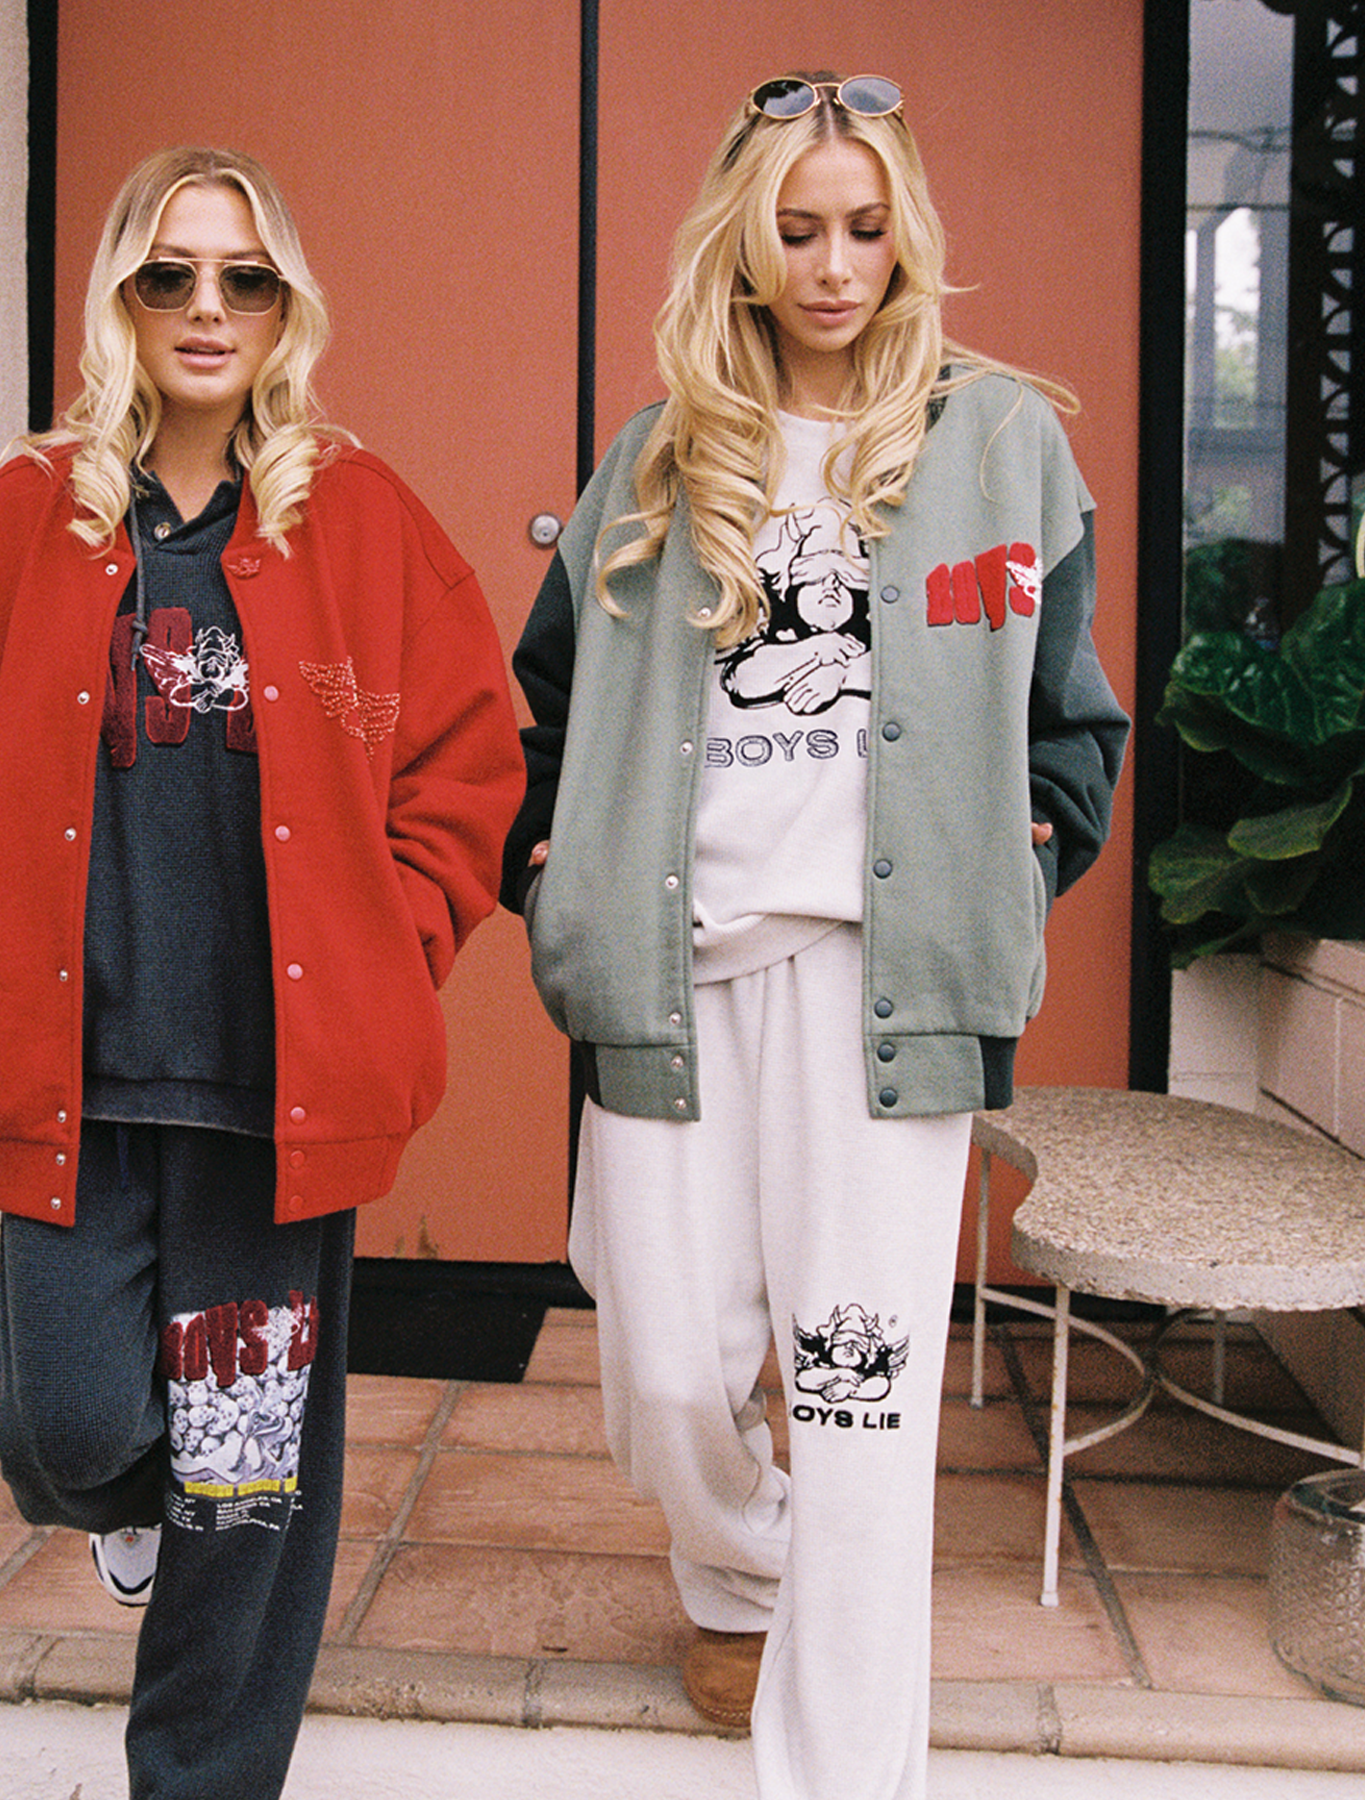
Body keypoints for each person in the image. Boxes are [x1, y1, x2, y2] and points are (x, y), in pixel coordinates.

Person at [501, 75, 1128, 1800]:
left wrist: (1036, 836)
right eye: (798, 229)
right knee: (667, 1370)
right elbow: (542, 705)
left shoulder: (1002, 445)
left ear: (905, 232)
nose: (835, 265)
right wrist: (542, 855)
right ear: (747, 243)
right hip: (675, 978)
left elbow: (1073, 720)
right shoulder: (657, 452)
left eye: (864, 228)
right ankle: (739, 1570)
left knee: (863, 1412)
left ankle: (845, 1768)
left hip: (885, 988)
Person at [0, 145, 523, 1800]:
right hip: (72, 1082)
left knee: (247, 1493)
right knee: (74, 1424)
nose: (207, 308)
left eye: (243, 277)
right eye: (169, 275)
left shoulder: (355, 517)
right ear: (121, 302)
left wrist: (400, 943)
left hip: (271, 1095)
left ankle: (204, 1782)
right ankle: (128, 1509)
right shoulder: (25, 522)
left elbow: (463, 765)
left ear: (286, 303)